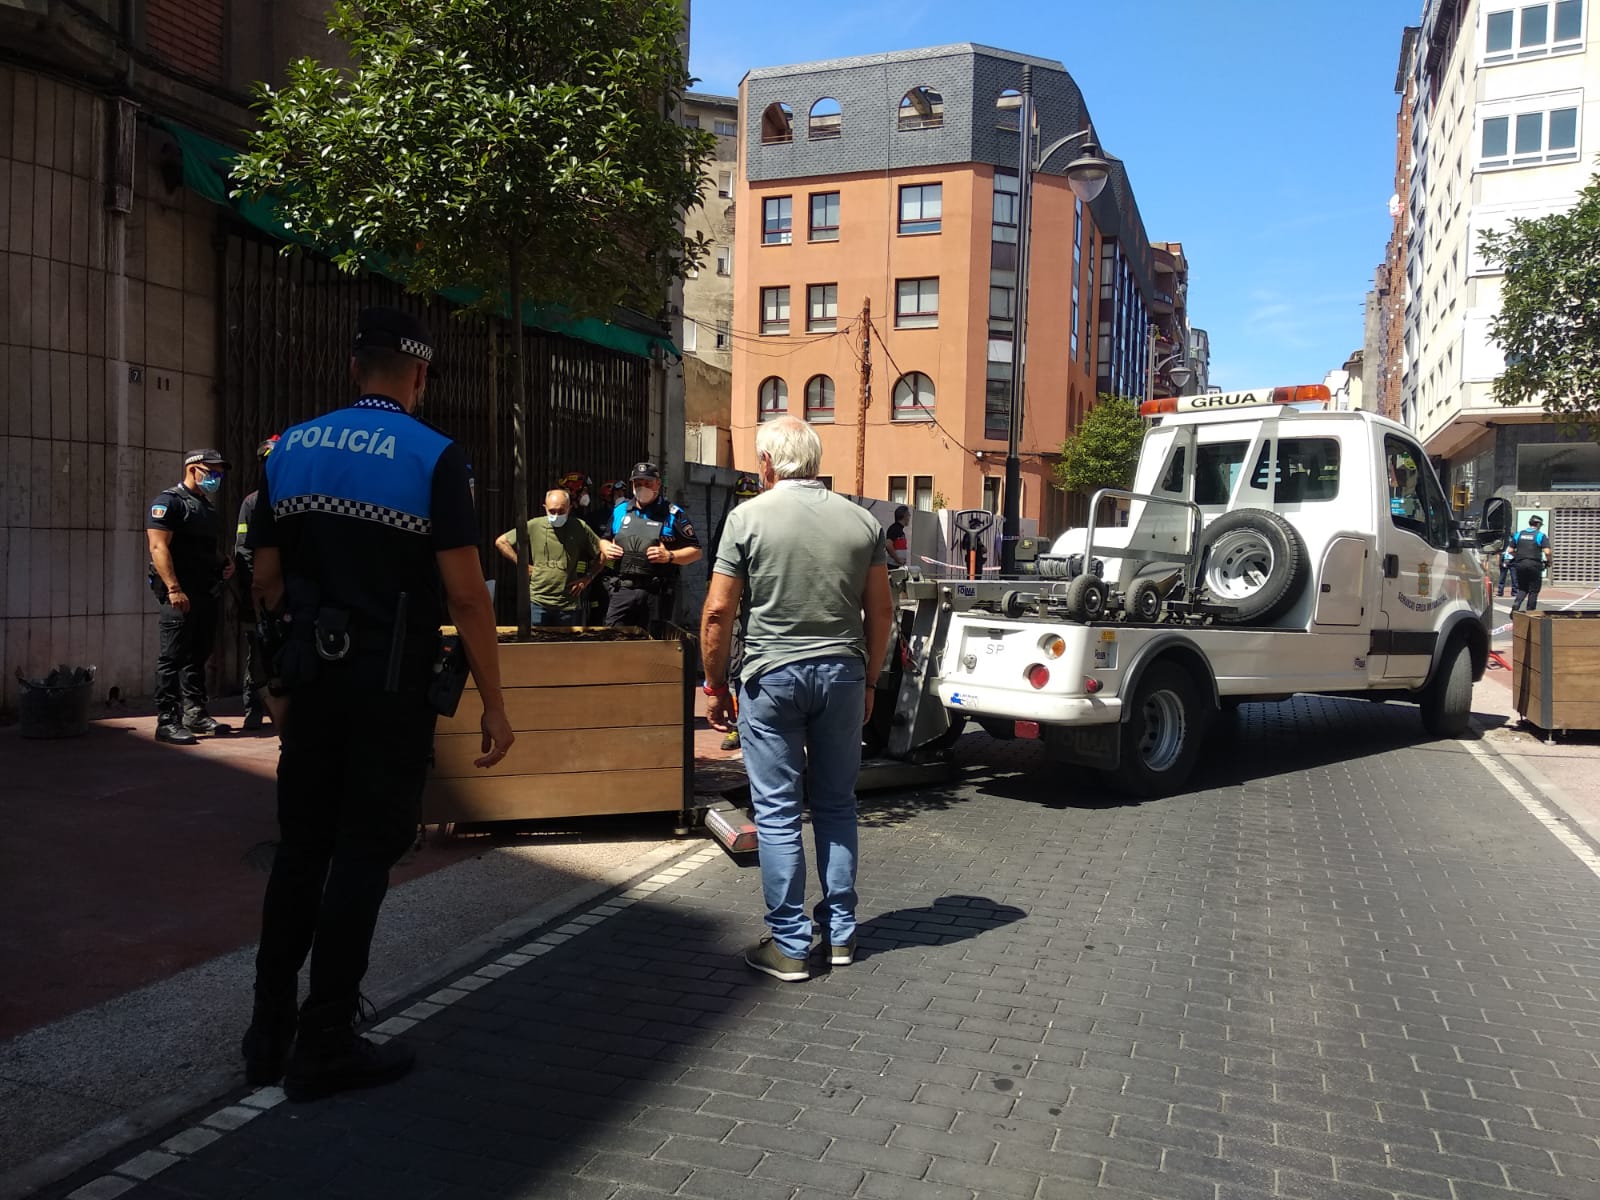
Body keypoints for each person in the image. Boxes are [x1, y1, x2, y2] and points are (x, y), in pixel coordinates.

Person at [242, 307, 514, 1102]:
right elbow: (466, 593)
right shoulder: (433, 455)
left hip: (312, 684)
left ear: (354, 368)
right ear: (420, 376)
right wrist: (494, 701)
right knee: (364, 852)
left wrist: (277, 680)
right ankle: (327, 1037)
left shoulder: (286, 448)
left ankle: (267, 1031)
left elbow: (263, 578)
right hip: (389, 686)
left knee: (300, 849)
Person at [700, 416, 895, 982]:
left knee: (779, 812)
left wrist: (715, 684)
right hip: (842, 676)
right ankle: (839, 935)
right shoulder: (862, 521)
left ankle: (789, 945)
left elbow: (717, 611)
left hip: (772, 678)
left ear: (767, 463)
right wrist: (872, 680)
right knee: (836, 804)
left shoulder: (747, 519)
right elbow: (880, 610)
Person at [146, 449, 236, 745]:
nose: (216, 478)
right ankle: (167, 720)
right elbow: (158, 547)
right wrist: (173, 588)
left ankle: (194, 712)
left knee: (198, 654)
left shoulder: (205, 507)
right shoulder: (169, 502)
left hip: (204, 592)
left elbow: (205, 548)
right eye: (212, 471)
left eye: (219, 473)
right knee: (172, 657)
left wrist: (224, 562)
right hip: (179, 593)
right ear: (193, 469)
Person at [599, 462, 702, 631]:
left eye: (648, 483)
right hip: (622, 589)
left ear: (658, 484)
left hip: (656, 593)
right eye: (638, 484)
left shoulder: (673, 514)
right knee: (614, 641)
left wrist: (669, 556)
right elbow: (604, 539)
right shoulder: (621, 510)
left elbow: (696, 552)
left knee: (653, 645)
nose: (642, 487)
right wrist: (606, 548)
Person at [493, 487, 603, 626]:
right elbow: (501, 542)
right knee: (536, 646)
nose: (556, 515)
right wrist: (522, 565)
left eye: (561, 511)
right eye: (552, 511)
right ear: (545, 508)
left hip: (568, 604)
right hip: (538, 603)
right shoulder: (534, 525)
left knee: (568, 646)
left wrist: (588, 578)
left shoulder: (579, 527)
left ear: (569, 508)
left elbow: (602, 553)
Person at [235, 435, 280, 730]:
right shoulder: (252, 503)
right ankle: (253, 706)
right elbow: (243, 548)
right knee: (258, 653)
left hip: (288, 593)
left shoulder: (292, 500)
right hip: (259, 594)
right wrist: (254, 589)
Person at [1510, 514, 1551, 613]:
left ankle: (1516, 604)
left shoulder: (1518, 534)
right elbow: (1547, 552)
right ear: (1537, 524)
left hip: (1520, 564)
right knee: (1533, 590)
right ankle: (1530, 612)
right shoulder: (1540, 535)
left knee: (1522, 588)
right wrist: (1549, 561)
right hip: (1534, 565)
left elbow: (1510, 550)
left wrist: (1519, 556)